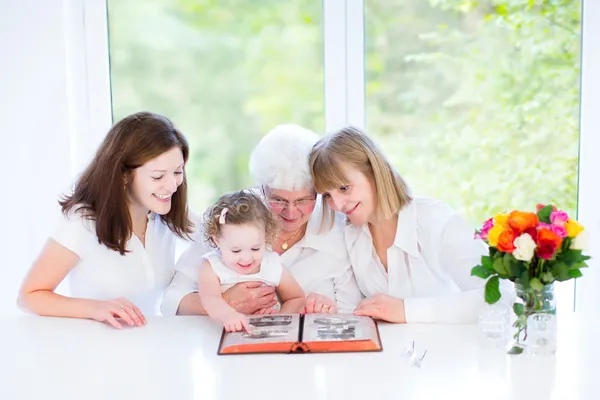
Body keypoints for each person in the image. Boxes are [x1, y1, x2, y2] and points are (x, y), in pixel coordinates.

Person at [161, 124, 363, 316]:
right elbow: (171, 300)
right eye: (278, 200)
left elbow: (352, 311)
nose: (291, 213)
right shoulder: (232, 218)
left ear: (318, 193)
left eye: (303, 200)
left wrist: (326, 309)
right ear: (262, 189)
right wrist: (224, 303)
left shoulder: (335, 229)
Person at [18, 112, 194, 329]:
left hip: (151, 347)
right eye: (158, 176)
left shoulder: (166, 213)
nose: (172, 185)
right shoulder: (83, 222)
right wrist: (95, 308)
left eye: (178, 172)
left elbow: (225, 234)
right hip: (98, 353)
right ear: (123, 175)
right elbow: (29, 296)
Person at [308, 126, 496, 324]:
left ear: (374, 171)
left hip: (447, 351)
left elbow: (497, 298)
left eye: (344, 188)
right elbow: (353, 311)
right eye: (327, 195)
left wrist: (406, 310)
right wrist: (326, 308)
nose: (337, 205)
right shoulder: (348, 232)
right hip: (387, 353)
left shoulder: (436, 221)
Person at [198, 190, 305, 332]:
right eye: (236, 251)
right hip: (223, 332)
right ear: (217, 240)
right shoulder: (211, 266)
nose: (247, 258)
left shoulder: (271, 264)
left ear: (265, 237)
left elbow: (296, 298)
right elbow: (210, 299)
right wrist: (228, 315)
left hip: (268, 334)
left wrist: (278, 318)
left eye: (255, 248)